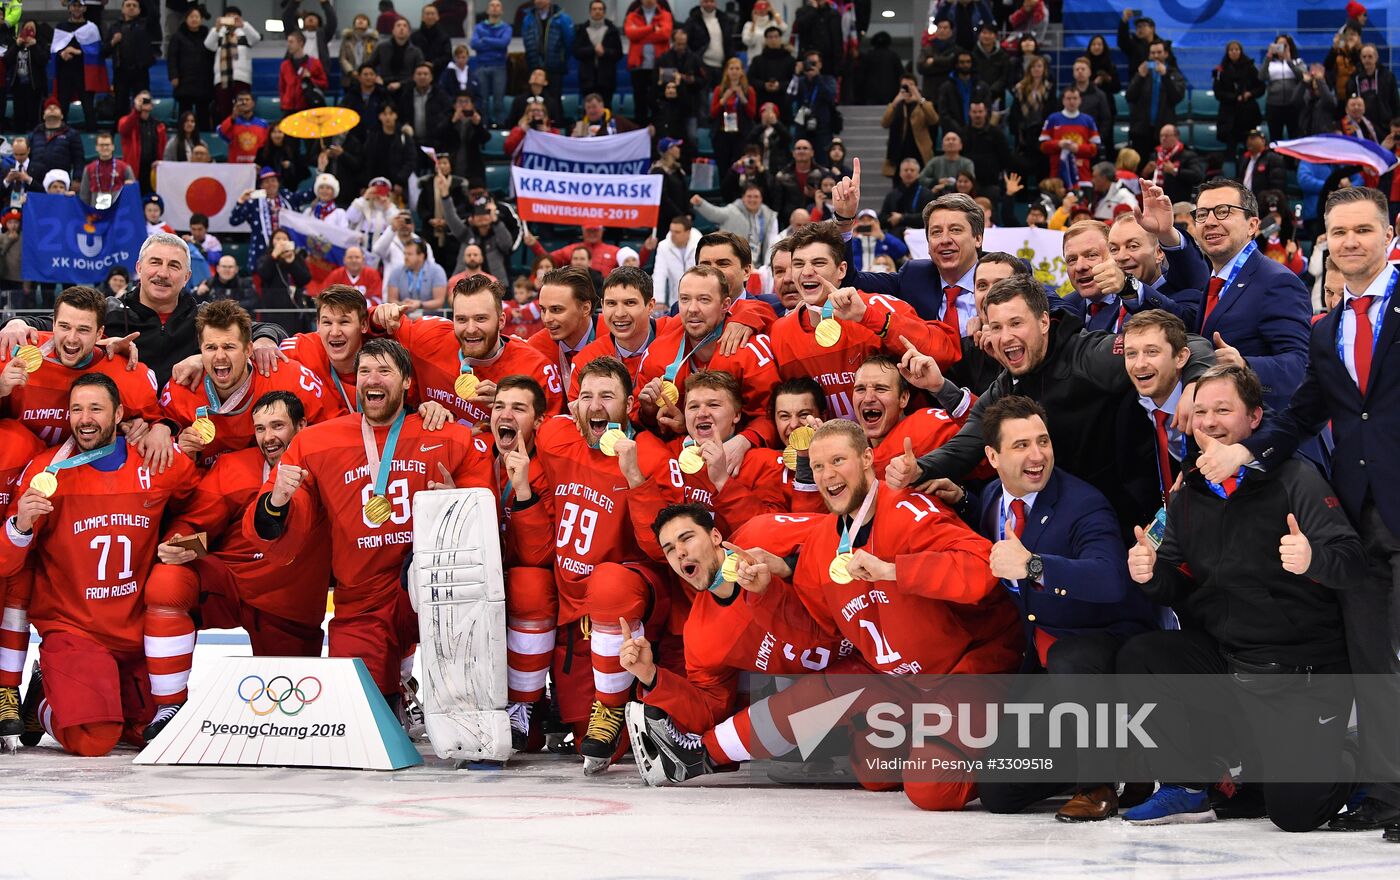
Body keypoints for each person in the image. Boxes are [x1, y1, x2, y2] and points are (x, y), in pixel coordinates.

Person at [627, 418, 1021, 809]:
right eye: (817, 466)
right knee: (874, 769)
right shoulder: (820, 546)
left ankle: (1019, 742)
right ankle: (703, 754)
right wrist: (768, 593)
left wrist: (894, 571)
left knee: (931, 788)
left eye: (837, 461)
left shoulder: (906, 511)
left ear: (867, 459)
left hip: (968, 664)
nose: (827, 475)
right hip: (894, 674)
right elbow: (817, 635)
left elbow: (981, 569)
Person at [1204, 187, 1400, 839]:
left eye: (1362, 230)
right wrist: (1243, 452)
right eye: (1338, 232)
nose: (1349, 242)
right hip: (1362, 518)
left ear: (1389, 233)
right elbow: (1301, 415)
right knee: (1375, 660)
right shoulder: (1328, 328)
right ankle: (1390, 796)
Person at [1119, 364, 1364, 831]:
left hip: (1301, 673)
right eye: (1200, 412)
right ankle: (1188, 786)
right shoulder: (1189, 491)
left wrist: (1313, 559)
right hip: (1230, 662)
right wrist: (1152, 574)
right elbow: (1179, 583)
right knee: (1142, 654)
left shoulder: (1295, 477)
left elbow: (1351, 561)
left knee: (1294, 814)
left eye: (1223, 410)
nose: (1209, 422)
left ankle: (1351, 750)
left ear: (1255, 418)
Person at [246, 338, 485, 709]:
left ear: (407, 381)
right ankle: (396, 692)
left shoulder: (448, 435)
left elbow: (484, 520)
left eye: (384, 371)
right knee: (361, 712)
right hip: (361, 599)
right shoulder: (314, 443)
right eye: (364, 372)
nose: (372, 379)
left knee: (464, 706)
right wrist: (277, 500)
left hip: (433, 590)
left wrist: (460, 502)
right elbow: (277, 526)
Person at [887, 273, 1215, 535]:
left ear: (1044, 322)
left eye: (1016, 323)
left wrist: (1197, 384)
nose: (1005, 337)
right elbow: (968, 443)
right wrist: (920, 468)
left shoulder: (1087, 355)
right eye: (996, 327)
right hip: (1072, 520)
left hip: (1136, 516)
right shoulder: (1006, 385)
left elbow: (1189, 344)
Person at [954, 395, 1155, 821]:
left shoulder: (1084, 503)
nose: (1037, 455)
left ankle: (1097, 784)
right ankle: (1108, 753)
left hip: (1104, 648)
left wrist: (1034, 566)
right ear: (992, 457)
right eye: (1021, 445)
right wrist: (960, 499)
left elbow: (1109, 579)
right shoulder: (991, 498)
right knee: (998, 791)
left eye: (1042, 441)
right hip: (1043, 659)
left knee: (1071, 655)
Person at [1, 374, 198, 756]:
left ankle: (62, 687)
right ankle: (44, 699)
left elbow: (200, 503)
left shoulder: (157, 461)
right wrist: (20, 524)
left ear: (119, 413)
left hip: (136, 631)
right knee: (94, 738)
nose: (85, 419)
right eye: (76, 409)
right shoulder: (47, 473)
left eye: (95, 408)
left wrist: (184, 534)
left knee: (149, 732)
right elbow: (8, 564)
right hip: (75, 629)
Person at [505, 355, 677, 774]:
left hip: (625, 599)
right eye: (586, 396)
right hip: (572, 607)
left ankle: (612, 706)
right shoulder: (556, 438)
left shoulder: (652, 455)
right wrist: (524, 492)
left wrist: (635, 478)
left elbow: (660, 551)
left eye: (607, 396)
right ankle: (523, 707)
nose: (594, 405)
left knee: (609, 583)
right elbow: (543, 547)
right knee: (526, 581)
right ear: (573, 404)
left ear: (630, 403)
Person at [0, 232, 287, 387]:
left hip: (184, 426)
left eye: (174, 266)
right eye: (155, 263)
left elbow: (263, 328)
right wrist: (17, 324)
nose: (163, 273)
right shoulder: (108, 310)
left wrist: (263, 340)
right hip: (121, 428)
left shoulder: (205, 317)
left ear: (187, 277)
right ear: (139, 269)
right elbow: (58, 323)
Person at [1146, 177, 1311, 416]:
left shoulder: (1277, 281)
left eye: (1223, 212)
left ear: (1252, 225)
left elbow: (1299, 366)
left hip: (1261, 435)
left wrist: (1244, 365)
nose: (1210, 221)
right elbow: (1195, 329)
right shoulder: (1217, 280)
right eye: (1202, 214)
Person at [770, 221, 960, 420]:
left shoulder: (878, 306)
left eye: (818, 263)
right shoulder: (780, 332)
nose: (807, 272)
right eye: (799, 264)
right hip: (828, 448)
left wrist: (869, 317)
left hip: (898, 446)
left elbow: (945, 352)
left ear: (842, 270)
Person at [373, 275, 562, 427]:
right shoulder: (428, 337)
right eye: (462, 319)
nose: (470, 329)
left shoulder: (537, 369)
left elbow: (550, 436)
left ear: (501, 321)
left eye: (480, 319)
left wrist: (510, 406)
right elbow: (370, 329)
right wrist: (378, 316)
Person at [0, 285, 165, 453]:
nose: (72, 338)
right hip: (18, 470)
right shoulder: (16, 353)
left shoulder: (129, 374)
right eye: (64, 326)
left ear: (100, 333)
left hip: (93, 473)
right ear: (53, 325)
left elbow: (159, 421)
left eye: (83, 330)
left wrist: (153, 429)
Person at [1125, 40, 1187, 158]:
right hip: (1141, 130)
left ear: (1166, 54)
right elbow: (1130, 97)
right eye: (1153, 53)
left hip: (1164, 132)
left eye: (1159, 52)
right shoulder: (1142, 72)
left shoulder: (1174, 74)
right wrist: (1139, 77)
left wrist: (1165, 76)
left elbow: (1177, 98)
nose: (1156, 56)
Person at [205, 7, 261, 122]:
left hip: (241, 77)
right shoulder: (218, 31)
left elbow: (256, 39)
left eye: (234, 16)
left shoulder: (244, 30)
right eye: (228, 16)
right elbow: (208, 45)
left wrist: (243, 25)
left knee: (243, 107)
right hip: (222, 78)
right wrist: (216, 28)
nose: (231, 18)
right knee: (223, 108)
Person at [1213, 41, 1263, 167]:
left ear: (1241, 51)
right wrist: (1235, 97)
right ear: (1227, 52)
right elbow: (1218, 93)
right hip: (1229, 114)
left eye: (1236, 49)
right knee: (1231, 146)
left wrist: (1249, 94)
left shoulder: (1250, 67)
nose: (1234, 52)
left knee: (1249, 145)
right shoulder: (1221, 70)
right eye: (1231, 50)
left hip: (1247, 114)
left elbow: (1261, 87)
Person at [107, 0, 158, 119]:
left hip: (140, 72)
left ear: (139, 10)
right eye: (128, 5)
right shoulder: (115, 27)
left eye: (134, 6)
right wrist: (113, 42)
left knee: (142, 105)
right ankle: (120, 135)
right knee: (120, 107)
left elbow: (154, 13)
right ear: (122, 9)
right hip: (121, 73)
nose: (131, 8)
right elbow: (104, 51)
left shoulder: (146, 25)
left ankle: (142, 133)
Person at [882, 74, 939, 179]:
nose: (908, 88)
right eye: (904, 86)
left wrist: (919, 99)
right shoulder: (897, 105)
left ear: (917, 87)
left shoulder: (924, 104)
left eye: (911, 85)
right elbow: (884, 123)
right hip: (899, 151)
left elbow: (934, 119)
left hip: (920, 151)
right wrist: (894, 103)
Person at [520, 0, 573, 105]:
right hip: (535, 65)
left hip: (555, 67)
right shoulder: (528, 19)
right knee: (535, 100)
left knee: (554, 100)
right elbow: (526, 41)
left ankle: (556, 121)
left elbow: (569, 43)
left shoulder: (562, 18)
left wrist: (561, 59)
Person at [574, 0, 622, 109]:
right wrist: (593, 50)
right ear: (590, 12)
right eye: (594, 9)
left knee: (606, 109)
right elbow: (576, 52)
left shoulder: (612, 30)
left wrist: (605, 52)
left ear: (604, 12)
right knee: (588, 109)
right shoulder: (582, 29)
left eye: (600, 9)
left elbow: (618, 53)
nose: (597, 12)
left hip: (607, 78)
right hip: (587, 78)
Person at [790, 50, 839, 157]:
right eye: (809, 63)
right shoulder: (800, 81)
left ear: (820, 65)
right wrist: (796, 74)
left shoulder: (828, 80)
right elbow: (789, 96)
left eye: (814, 63)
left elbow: (831, 97)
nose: (811, 66)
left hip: (822, 126)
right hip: (802, 122)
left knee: (823, 157)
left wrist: (817, 78)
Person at [471, 0, 512, 128]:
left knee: (498, 100)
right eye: (492, 6)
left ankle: (499, 125)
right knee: (482, 100)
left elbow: (504, 43)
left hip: (499, 67)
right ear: (488, 10)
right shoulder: (479, 27)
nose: (494, 8)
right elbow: (474, 44)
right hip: (481, 66)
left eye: (497, 5)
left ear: (502, 11)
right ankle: (483, 125)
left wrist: (485, 39)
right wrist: (495, 43)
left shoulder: (506, 28)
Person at [117, 91, 167, 194]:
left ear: (152, 105)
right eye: (141, 100)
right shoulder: (126, 121)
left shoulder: (159, 126)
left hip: (153, 170)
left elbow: (162, 149)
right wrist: (136, 111)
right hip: (134, 170)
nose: (144, 103)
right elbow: (123, 129)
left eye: (146, 100)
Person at [384, 239, 447, 314]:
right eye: (405, 254)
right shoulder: (396, 271)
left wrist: (420, 304)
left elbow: (439, 301)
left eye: (409, 254)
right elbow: (391, 299)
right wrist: (402, 305)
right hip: (403, 315)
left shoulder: (437, 271)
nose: (405, 257)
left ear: (421, 256)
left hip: (429, 316)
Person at [653, 215, 700, 310]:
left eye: (677, 232)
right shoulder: (663, 246)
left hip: (699, 298)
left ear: (688, 232)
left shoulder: (700, 245)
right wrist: (659, 301)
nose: (672, 235)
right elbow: (659, 274)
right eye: (671, 231)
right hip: (676, 301)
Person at [747, 27, 794, 121]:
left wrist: (780, 85)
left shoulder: (790, 60)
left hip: (783, 102)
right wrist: (763, 85)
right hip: (761, 100)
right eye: (770, 37)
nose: (773, 40)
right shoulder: (757, 60)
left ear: (780, 38)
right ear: (765, 40)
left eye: (776, 37)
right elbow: (750, 79)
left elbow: (794, 81)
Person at [78, 132, 136, 208]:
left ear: (113, 147)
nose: (105, 148)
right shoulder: (89, 168)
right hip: (95, 211)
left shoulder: (124, 167)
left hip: (118, 211)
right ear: (96, 147)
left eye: (107, 145)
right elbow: (84, 196)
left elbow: (133, 193)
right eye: (101, 145)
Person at [278, 29, 328, 113]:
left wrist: (310, 79)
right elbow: (282, 88)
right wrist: (283, 103)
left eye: (291, 42)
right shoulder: (285, 65)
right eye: (288, 42)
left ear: (300, 43)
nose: (288, 45)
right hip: (288, 108)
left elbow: (324, 84)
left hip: (306, 107)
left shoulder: (314, 63)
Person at [917, 131, 975, 196]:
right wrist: (937, 181)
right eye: (947, 139)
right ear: (942, 146)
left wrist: (949, 185)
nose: (950, 142)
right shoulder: (935, 161)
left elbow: (971, 181)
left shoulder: (967, 163)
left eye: (954, 139)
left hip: (960, 196)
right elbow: (921, 178)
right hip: (938, 196)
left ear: (961, 145)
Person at [410, 2, 452, 75]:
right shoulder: (414, 37)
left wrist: (434, 64)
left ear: (437, 17)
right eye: (427, 14)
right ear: (422, 17)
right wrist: (421, 64)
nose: (430, 16)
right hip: (417, 73)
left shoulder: (444, 37)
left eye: (432, 14)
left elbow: (447, 56)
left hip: (439, 73)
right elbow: (410, 54)